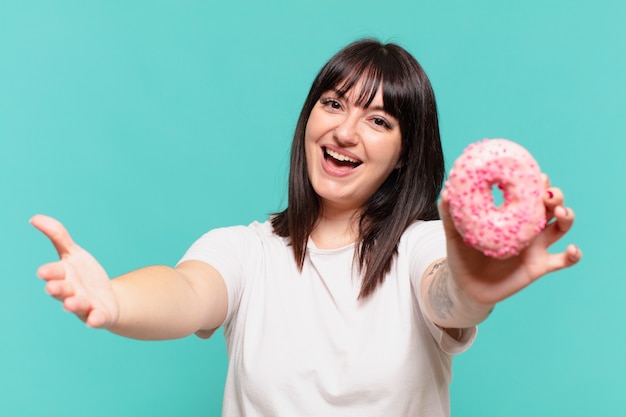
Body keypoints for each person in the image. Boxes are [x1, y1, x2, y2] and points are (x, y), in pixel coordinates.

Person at [31, 39, 582, 416]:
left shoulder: (424, 245)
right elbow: (186, 291)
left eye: (378, 120)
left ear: (403, 155)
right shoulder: (247, 250)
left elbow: (448, 295)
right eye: (334, 103)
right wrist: (116, 299)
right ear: (308, 119)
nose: (344, 131)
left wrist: (471, 287)